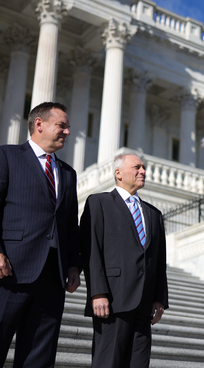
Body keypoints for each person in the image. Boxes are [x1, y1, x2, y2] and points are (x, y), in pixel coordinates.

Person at [0, 102, 82, 368]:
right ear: (39, 124)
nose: (68, 132)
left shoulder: (68, 173)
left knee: (39, 360)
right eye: (62, 126)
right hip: (7, 270)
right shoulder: (5, 155)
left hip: (51, 279)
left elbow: (69, 224)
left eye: (68, 127)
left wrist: (74, 265)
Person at [80, 152, 168, 368]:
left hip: (144, 304)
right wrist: (97, 292)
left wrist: (159, 298)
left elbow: (159, 259)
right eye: (137, 167)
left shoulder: (153, 214)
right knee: (108, 362)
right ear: (118, 173)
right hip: (112, 301)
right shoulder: (98, 203)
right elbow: (91, 250)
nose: (143, 172)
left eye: (143, 168)